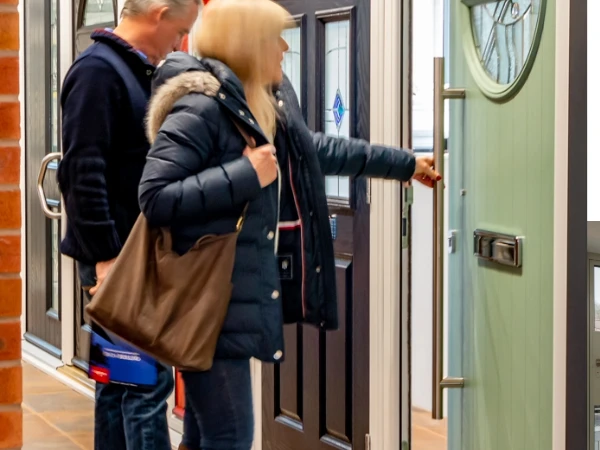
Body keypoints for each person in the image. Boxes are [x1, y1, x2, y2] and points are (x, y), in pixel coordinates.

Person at [139, 0, 441, 448]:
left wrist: (406, 164)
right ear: (245, 45)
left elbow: (315, 150)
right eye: (272, 38)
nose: (284, 47)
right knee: (232, 436)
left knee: (209, 436)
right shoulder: (201, 108)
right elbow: (155, 196)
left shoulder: (259, 102)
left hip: (228, 301)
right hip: (207, 305)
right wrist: (246, 174)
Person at [57, 0, 199, 448]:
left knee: (120, 385)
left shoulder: (129, 70)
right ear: (158, 12)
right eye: (179, 31)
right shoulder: (98, 72)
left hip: (129, 260)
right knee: (143, 388)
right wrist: (105, 258)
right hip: (121, 263)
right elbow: (82, 171)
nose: (178, 43)